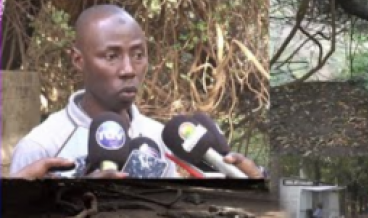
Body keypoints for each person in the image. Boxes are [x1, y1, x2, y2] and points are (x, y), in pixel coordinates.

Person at [9, 4, 263, 179]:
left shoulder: (162, 138)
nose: (129, 69)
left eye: (138, 55)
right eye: (111, 56)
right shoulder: (40, 148)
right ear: (78, 60)